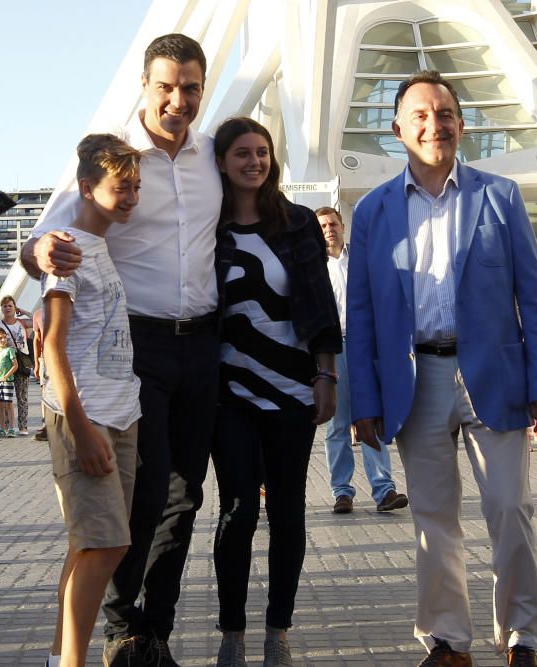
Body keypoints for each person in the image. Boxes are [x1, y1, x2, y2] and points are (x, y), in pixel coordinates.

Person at [346, 70, 537, 667]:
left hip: (493, 375)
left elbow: (532, 297)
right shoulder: (372, 211)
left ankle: (521, 637)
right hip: (416, 380)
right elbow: (360, 313)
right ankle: (447, 640)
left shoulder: (499, 195)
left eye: (444, 114)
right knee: (432, 519)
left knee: (509, 508)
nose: (433, 125)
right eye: (420, 115)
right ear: (397, 130)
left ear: (461, 125)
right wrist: (362, 400)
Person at [22, 33, 222, 666]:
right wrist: (35, 255)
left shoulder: (212, 155)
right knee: (143, 496)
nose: (178, 100)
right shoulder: (114, 159)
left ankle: (152, 630)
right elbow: (47, 237)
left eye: (190, 87)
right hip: (137, 350)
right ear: (144, 84)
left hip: (203, 344)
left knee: (186, 497)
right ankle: (115, 627)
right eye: (166, 86)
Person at [209, 117, 342, 667]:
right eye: (242, 153)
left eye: (262, 153)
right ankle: (232, 632)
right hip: (227, 391)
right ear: (221, 161)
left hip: (291, 387)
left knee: (289, 513)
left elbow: (318, 301)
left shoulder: (297, 223)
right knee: (236, 511)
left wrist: (325, 373)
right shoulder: (206, 227)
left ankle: (277, 630)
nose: (254, 162)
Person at [41, 133, 143, 667]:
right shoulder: (65, 248)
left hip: (123, 411)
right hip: (85, 415)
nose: (131, 198)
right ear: (86, 187)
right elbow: (53, 345)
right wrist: (80, 427)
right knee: (107, 545)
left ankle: (62, 659)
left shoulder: (102, 245)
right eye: (121, 188)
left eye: (136, 188)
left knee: (88, 546)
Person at [315, 206, 408, 515]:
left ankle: (384, 490)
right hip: (333, 349)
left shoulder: (363, 261)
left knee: (372, 416)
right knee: (337, 424)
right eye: (323, 225)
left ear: (343, 226)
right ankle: (342, 491)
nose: (329, 229)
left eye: (333, 223)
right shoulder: (313, 266)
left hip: (364, 345)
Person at [0, 295, 32, 435]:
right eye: (5, 306)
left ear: (15, 307)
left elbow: (38, 320)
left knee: (22, 397)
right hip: (6, 366)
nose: (8, 308)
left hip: (21, 363)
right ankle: (7, 427)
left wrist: (24, 311)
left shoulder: (22, 323)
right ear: (2, 309)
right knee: (5, 398)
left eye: (10, 305)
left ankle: (23, 427)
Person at [0, 327, 18, 437]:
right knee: (0, 406)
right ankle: (2, 428)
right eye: (0, 338)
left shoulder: (9, 350)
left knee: (9, 404)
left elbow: (15, 365)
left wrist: (6, 376)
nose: (3, 340)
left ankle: (11, 428)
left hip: (7, 381)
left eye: (4, 338)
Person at [32, 307, 49, 442]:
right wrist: (37, 363)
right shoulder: (38, 313)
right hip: (45, 358)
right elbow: (37, 339)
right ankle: (45, 423)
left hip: (66, 356)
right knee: (44, 390)